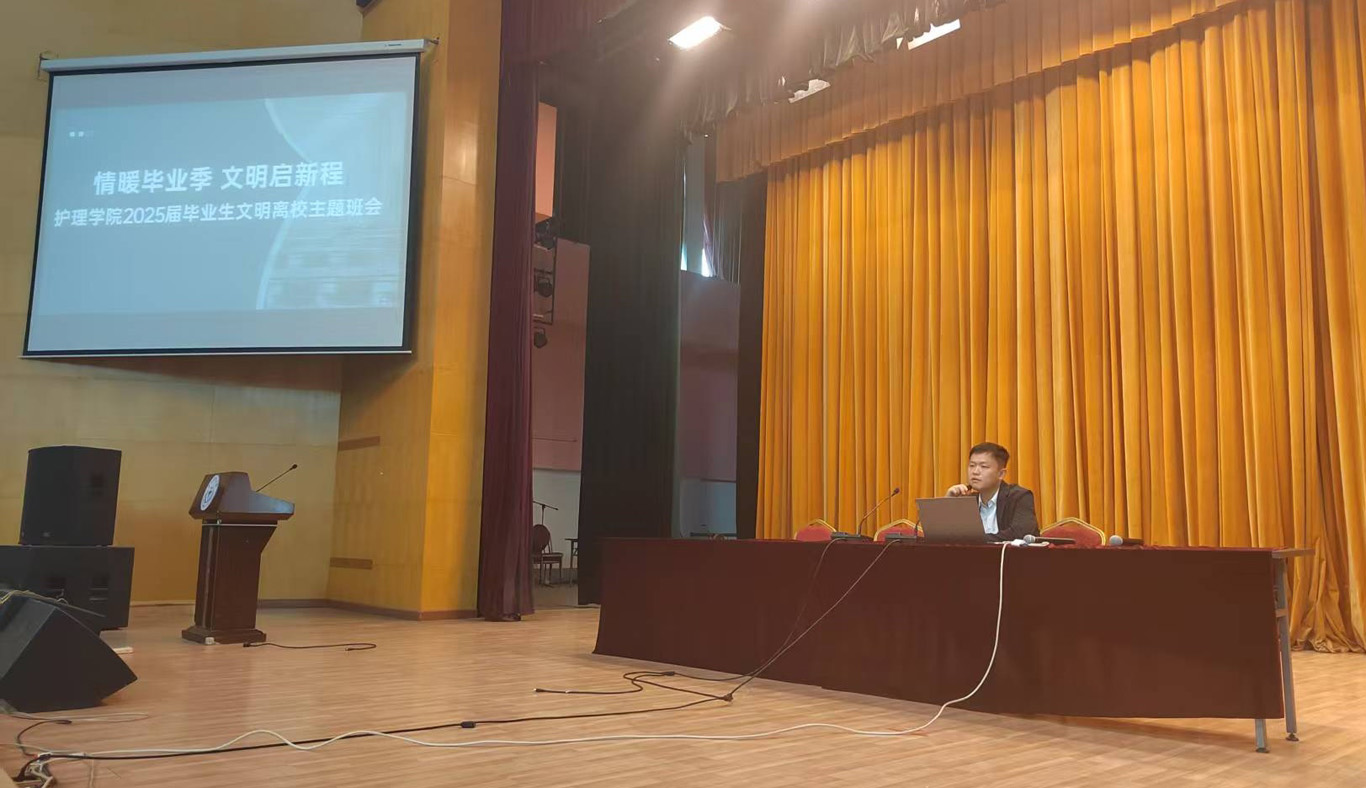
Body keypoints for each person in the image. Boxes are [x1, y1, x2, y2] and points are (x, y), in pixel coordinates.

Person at [946, 442, 1038, 542]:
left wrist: (974, 540)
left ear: (1001, 474)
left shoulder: (1019, 497)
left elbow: (1020, 534)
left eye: (984, 466)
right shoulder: (966, 501)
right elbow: (945, 536)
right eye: (972, 465)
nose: (975, 472)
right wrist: (948, 503)